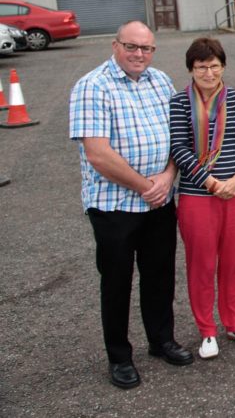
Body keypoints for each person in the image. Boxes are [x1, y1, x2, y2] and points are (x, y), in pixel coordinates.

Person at [69, 21, 192, 389]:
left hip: (159, 201)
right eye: (131, 47)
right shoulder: (92, 86)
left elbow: (179, 135)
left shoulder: (160, 81)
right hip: (114, 207)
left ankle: (161, 340)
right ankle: (119, 356)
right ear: (115, 45)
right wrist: (144, 186)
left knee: (159, 275)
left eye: (146, 48)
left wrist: (169, 176)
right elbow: (98, 154)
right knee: (117, 281)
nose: (139, 54)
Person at [169, 37, 235, 360]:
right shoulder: (179, 103)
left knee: (233, 262)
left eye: (215, 66)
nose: (209, 73)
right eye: (201, 67)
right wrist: (209, 181)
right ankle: (207, 329)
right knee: (202, 264)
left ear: (223, 66)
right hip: (197, 196)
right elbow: (178, 148)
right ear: (191, 69)